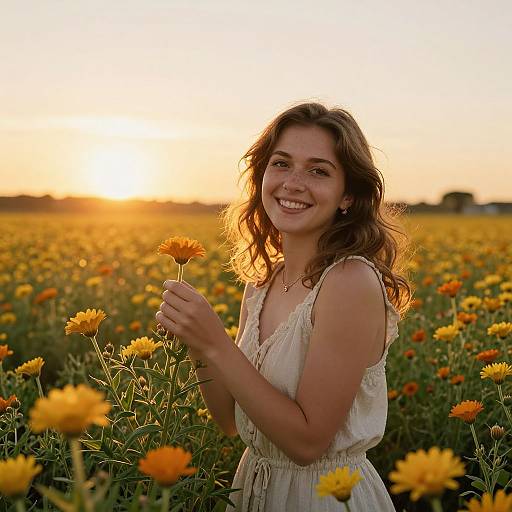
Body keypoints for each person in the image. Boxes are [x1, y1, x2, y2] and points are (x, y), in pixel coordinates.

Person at [156, 102, 412, 511]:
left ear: (347, 195)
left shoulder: (349, 282)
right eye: (281, 164)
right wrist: (197, 342)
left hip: (326, 497)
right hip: (255, 489)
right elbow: (229, 419)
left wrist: (216, 342)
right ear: (262, 177)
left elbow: (307, 442)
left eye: (318, 170)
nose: (293, 183)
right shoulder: (263, 282)